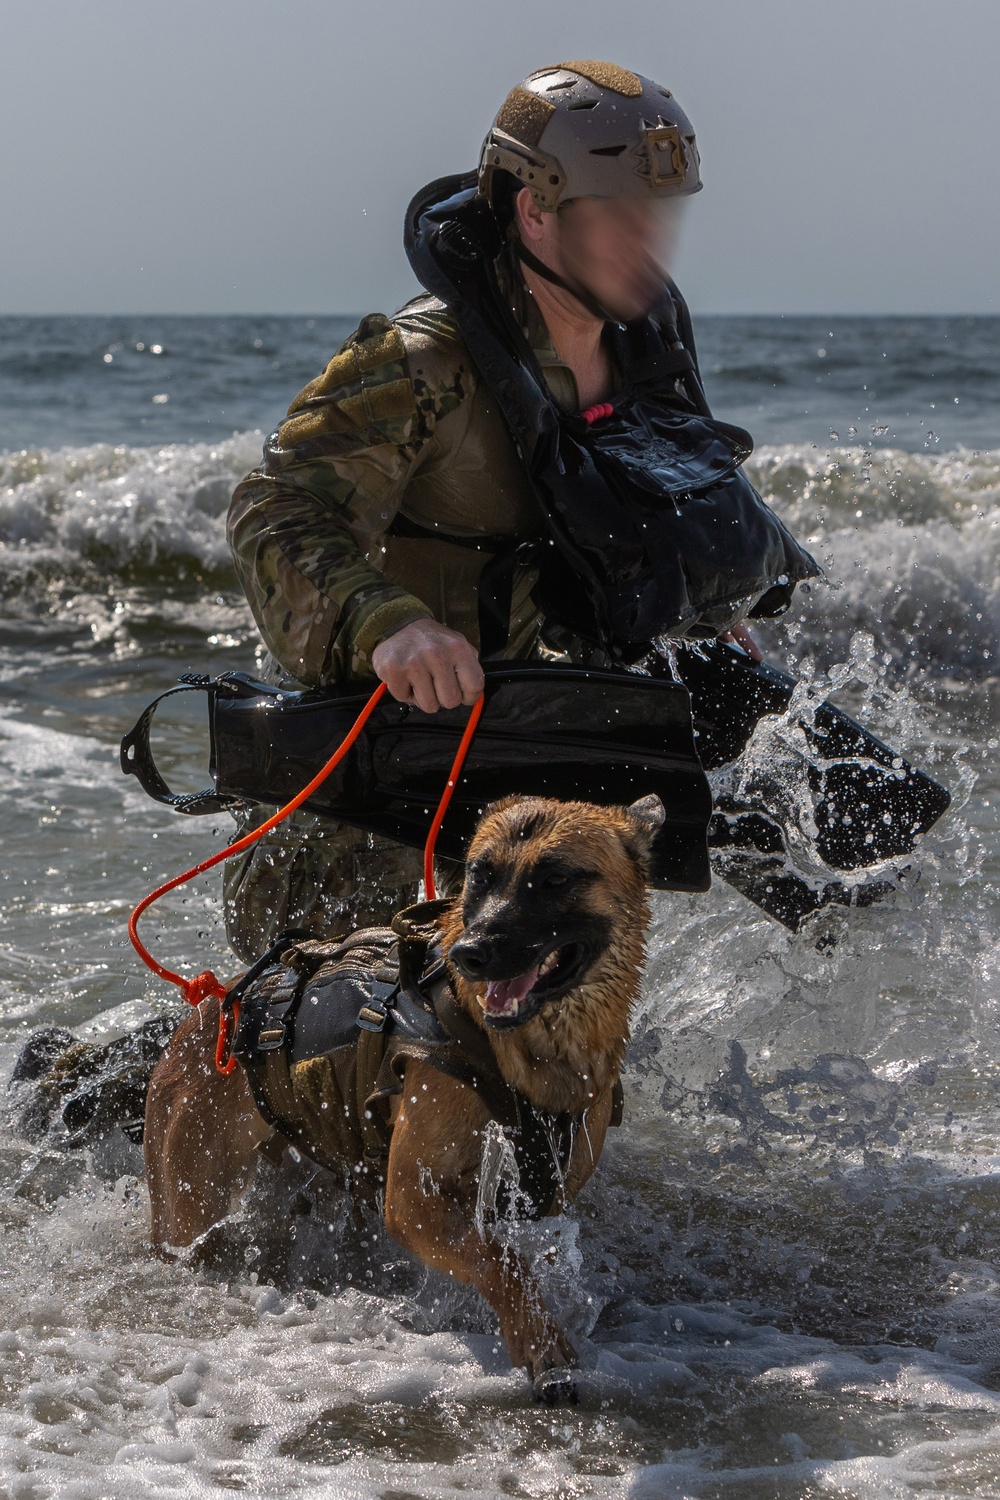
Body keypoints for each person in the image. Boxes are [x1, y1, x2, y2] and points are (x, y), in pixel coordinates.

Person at [224, 59, 816, 962]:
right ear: (533, 210)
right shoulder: (424, 361)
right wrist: (389, 624)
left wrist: (700, 618)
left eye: (661, 216)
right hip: (381, 780)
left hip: (539, 744)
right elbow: (274, 510)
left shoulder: (642, 350)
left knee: (845, 813)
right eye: (619, 217)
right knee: (368, 1048)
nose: (649, 246)